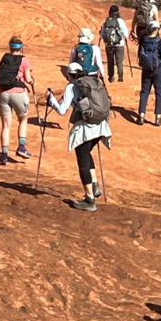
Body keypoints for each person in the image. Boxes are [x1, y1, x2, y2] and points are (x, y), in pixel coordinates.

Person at [46, 60, 113, 211]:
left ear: (69, 75)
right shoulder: (93, 82)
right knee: (87, 153)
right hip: (100, 126)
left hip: (85, 128)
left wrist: (51, 100)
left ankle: (89, 200)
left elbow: (62, 110)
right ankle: (94, 184)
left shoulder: (71, 86)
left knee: (82, 160)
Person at [0, 36, 32, 165]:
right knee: (23, 119)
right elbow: (28, 78)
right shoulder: (24, 60)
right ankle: (21, 147)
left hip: (3, 93)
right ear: (21, 48)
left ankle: (3, 155)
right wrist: (31, 81)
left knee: (6, 126)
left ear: (10, 48)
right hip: (19, 93)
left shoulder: (5, 58)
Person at [137, 26, 161, 125]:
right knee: (159, 93)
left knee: (145, 92)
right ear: (157, 30)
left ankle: (141, 115)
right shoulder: (159, 41)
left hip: (146, 70)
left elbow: (139, 54)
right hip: (158, 69)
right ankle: (158, 117)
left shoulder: (143, 40)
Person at [100, 4, 129, 82]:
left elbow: (102, 33)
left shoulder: (106, 21)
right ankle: (120, 76)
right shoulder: (120, 21)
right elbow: (125, 33)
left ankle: (111, 77)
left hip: (109, 45)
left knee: (110, 61)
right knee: (119, 61)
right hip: (119, 44)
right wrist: (124, 36)